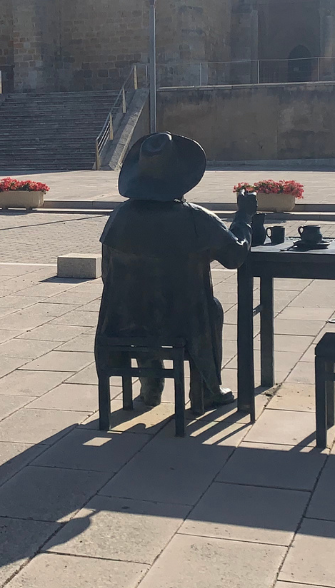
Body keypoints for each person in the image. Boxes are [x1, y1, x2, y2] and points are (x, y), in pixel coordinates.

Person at [95, 132, 255, 414]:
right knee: (211, 309)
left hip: (126, 323)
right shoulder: (195, 218)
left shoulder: (119, 217)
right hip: (182, 324)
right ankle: (207, 390)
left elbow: (108, 275)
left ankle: (151, 386)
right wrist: (244, 217)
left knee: (139, 303)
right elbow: (235, 256)